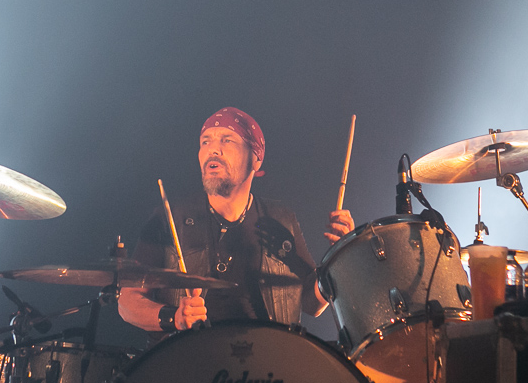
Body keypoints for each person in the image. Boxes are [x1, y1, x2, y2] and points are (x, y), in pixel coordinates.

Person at [119, 107, 354, 341]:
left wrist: (341, 256)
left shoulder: (279, 219)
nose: (213, 149)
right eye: (205, 142)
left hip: (268, 358)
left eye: (227, 140)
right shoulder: (170, 216)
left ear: (256, 159)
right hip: (190, 357)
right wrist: (174, 317)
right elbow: (127, 301)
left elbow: (312, 304)